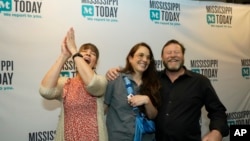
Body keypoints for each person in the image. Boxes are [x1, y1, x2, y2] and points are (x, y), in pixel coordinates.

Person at [106, 39, 229, 141]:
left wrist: (216, 132)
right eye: (168, 53)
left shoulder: (200, 81)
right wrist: (116, 71)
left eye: (177, 52)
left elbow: (218, 111)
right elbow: (134, 73)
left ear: (183, 56)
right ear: (162, 58)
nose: (173, 55)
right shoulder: (153, 80)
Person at [39, 27, 108, 141]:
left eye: (93, 53)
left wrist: (75, 51)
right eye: (84, 51)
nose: (88, 54)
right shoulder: (66, 83)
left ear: (95, 63)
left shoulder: (101, 81)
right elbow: (45, 91)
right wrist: (64, 56)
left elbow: (92, 84)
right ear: (76, 60)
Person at [104, 42, 161, 141]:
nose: (145, 60)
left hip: (145, 137)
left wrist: (147, 101)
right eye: (140, 55)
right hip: (118, 137)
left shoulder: (153, 83)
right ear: (130, 58)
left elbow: (153, 115)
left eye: (148, 57)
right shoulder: (116, 78)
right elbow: (103, 109)